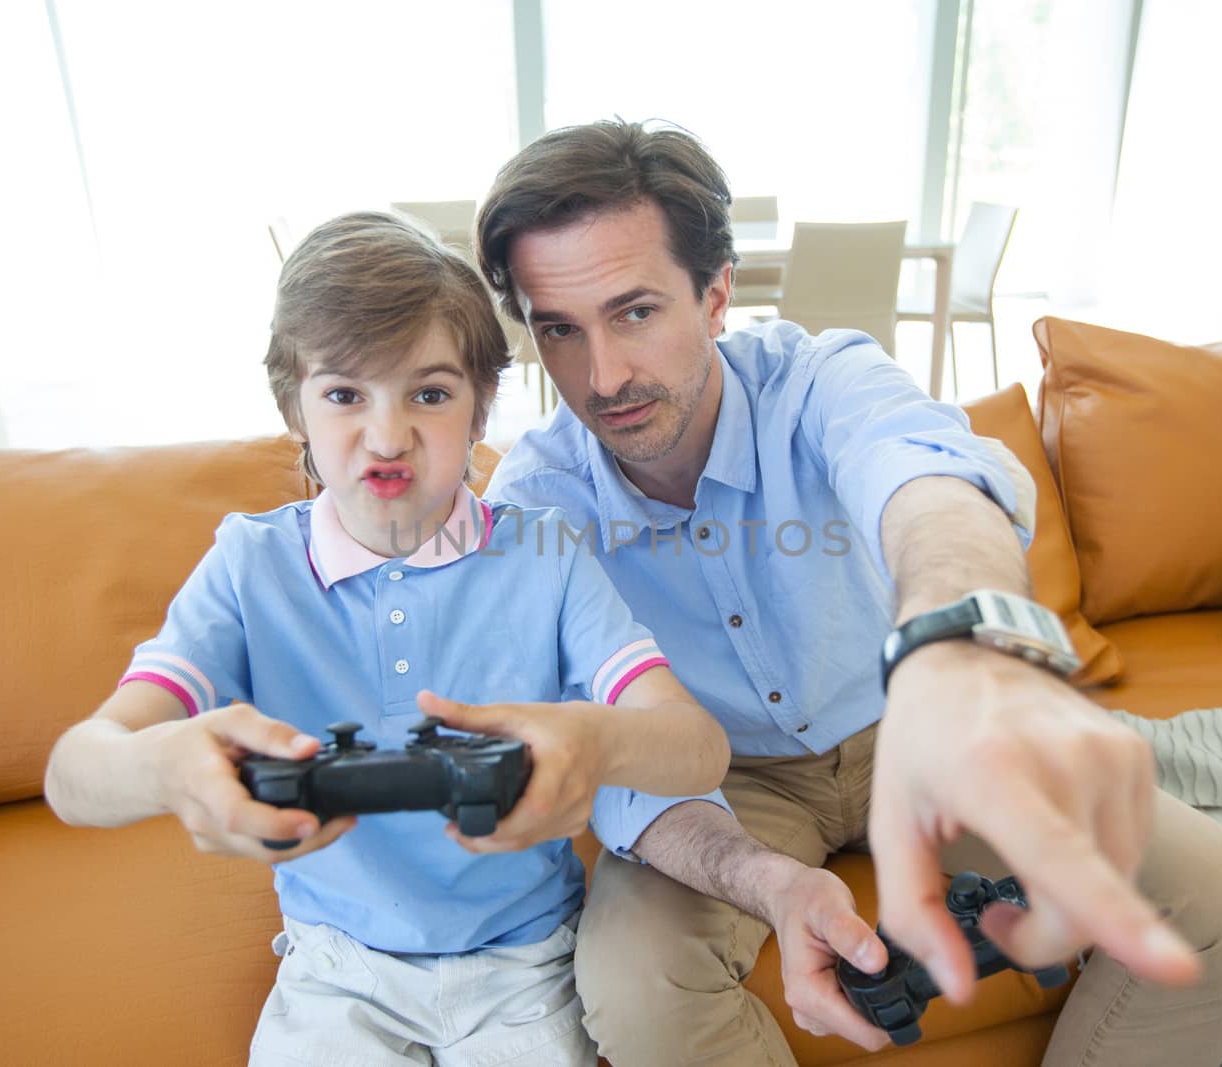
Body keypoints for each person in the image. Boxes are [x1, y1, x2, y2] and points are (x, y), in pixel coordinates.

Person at [467, 120, 1222, 1066]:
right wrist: (762, 878)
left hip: (917, 719)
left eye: (637, 311)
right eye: (560, 330)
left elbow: (929, 485)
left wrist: (952, 648)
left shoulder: (822, 382)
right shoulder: (534, 504)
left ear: (718, 294)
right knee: (638, 994)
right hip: (714, 776)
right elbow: (602, 752)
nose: (603, 376)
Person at [42, 210, 732, 1067]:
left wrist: (596, 739)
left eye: (430, 393)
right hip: (337, 972)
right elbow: (74, 772)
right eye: (343, 394)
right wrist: (165, 764)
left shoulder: (548, 553)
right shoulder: (248, 564)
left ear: (482, 408)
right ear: (292, 405)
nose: (386, 433)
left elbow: (696, 747)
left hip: (526, 964)